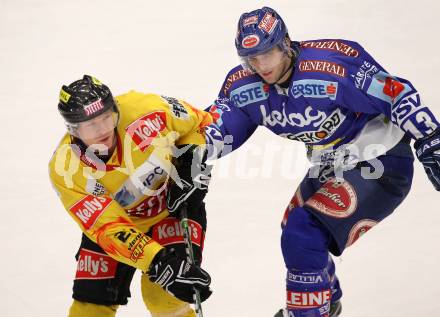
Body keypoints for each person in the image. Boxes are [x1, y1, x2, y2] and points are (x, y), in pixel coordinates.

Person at [204, 6, 440, 317]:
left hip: (380, 162)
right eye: (251, 58)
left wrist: (430, 138)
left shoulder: (331, 65)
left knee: (302, 231)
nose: (261, 66)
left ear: (285, 43)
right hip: (330, 165)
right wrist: (184, 156)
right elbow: (217, 127)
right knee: (294, 225)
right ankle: (325, 301)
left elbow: (395, 92)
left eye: (267, 54)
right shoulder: (243, 84)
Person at [49, 75, 214, 317]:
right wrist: (157, 260)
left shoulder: (145, 109)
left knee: (164, 299)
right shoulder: (66, 169)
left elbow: (198, 121)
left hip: (171, 210)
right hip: (115, 229)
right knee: (88, 311)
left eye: (107, 118)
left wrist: (192, 163)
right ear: (73, 130)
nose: (104, 130)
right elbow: (109, 230)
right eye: (91, 125)